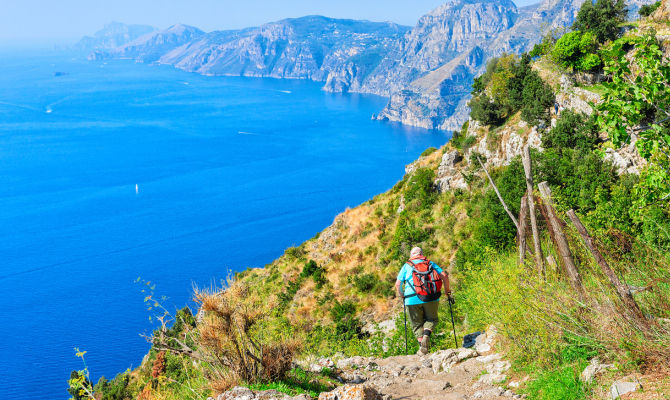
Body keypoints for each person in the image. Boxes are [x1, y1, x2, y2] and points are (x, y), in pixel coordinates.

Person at [395, 246, 453, 355]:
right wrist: (447, 291)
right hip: (431, 297)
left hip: (412, 299)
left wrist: (402, 296)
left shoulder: (407, 265)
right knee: (432, 319)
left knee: (416, 324)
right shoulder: (430, 263)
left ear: (411, 255)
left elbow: (398, 284)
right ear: (421, 254)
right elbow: (444, 276)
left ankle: (423, 349)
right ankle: (427, 335)